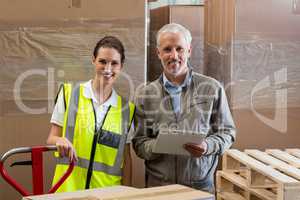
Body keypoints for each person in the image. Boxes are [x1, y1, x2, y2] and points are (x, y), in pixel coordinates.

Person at [132, 23, 236, 193]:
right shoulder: (145, 95)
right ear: (158, 53)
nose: (174, 55)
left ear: (189, 51)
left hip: (200, 187)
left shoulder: (211, 88)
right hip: (159, 188)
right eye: (167, 49)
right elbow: (139, 143)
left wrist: (207, 146)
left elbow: (228, 133)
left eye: (179, 49)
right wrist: (159, 146)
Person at [47, 36, 135, 192]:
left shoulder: (126, 110)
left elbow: (126, 159)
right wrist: (59, 140)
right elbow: (51, 138)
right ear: (93, 60)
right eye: (102, 61)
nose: (108, 69)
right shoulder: (69, 94)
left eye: (114, 63)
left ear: (121, 66)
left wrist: (127, 195)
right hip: (69, 190)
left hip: (107, 193)